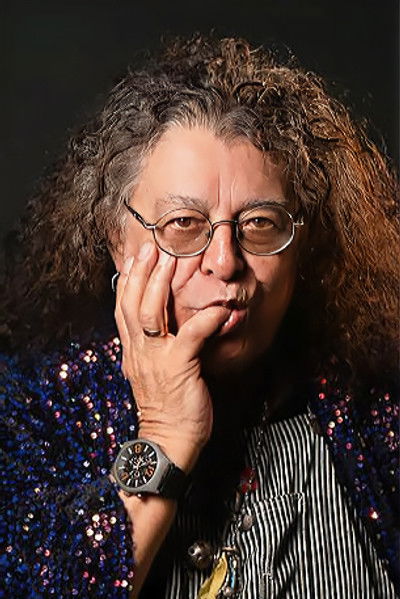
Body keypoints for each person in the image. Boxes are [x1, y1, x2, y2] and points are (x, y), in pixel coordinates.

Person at [0, 34, 398, 598]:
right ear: (117, 241)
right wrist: (166, 431)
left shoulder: (373, 409)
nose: (225, 262)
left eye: (260, 223)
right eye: (183, 224)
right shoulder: (26, 414)